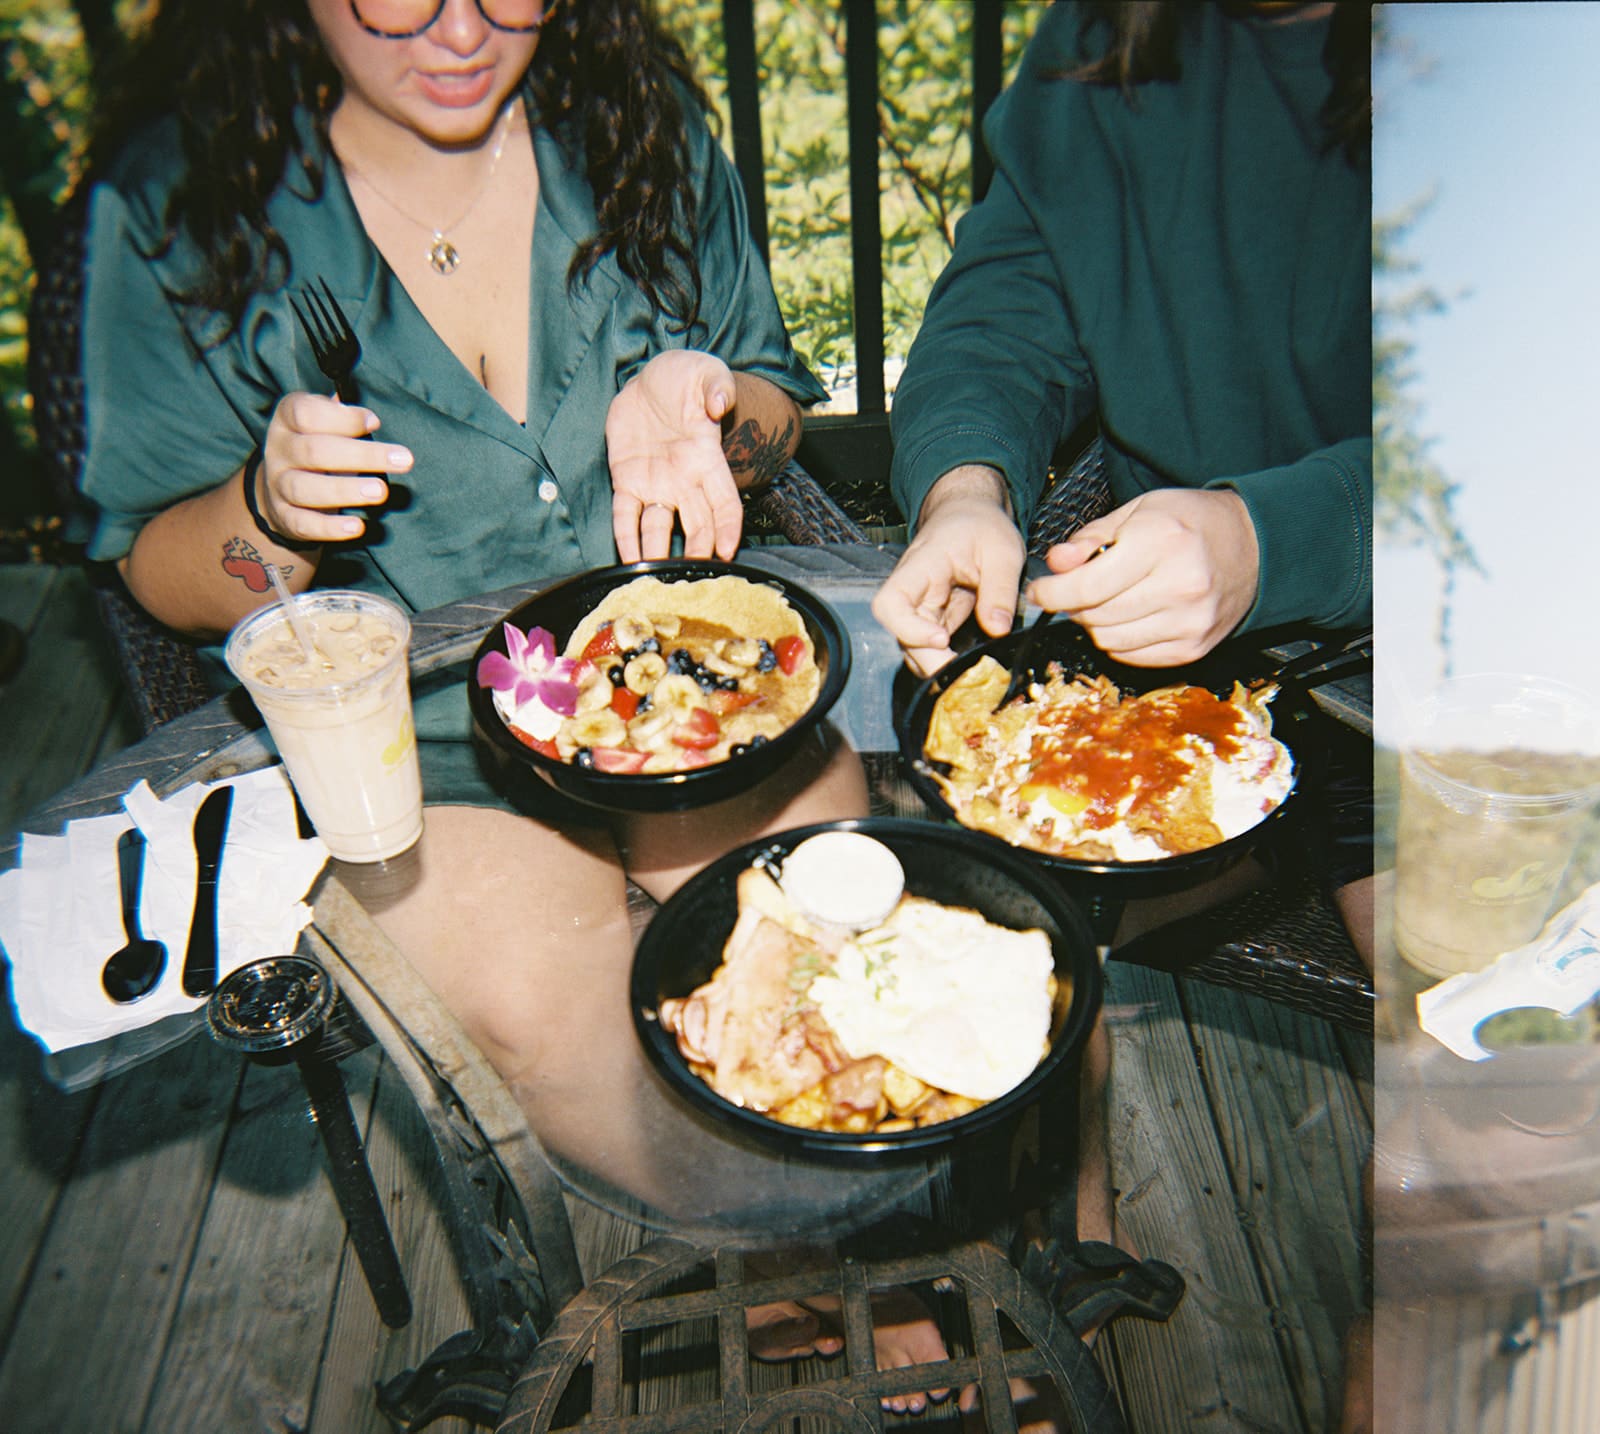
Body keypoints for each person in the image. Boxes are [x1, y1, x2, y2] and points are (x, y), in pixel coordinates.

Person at [73, 0, 959, 1405]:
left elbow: (779, 399)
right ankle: (829, 1266)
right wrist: (261, 508)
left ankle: (847, 1237)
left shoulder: (643, 127)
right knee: (604, 1037)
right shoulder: (180, 207)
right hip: (425, 744)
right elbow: (153, 563)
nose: (458, 30)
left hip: (693, 674)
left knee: (833, 943)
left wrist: (713, 397)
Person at [870, 4, 1372, 1429]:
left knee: (1487, 1090)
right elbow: (1006, 292)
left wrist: (1272, 538)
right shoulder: (1106, 28)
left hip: (1445, 655)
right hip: (1152, 635)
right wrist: (968, 483)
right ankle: (1061, 1233)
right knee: (984, 895)